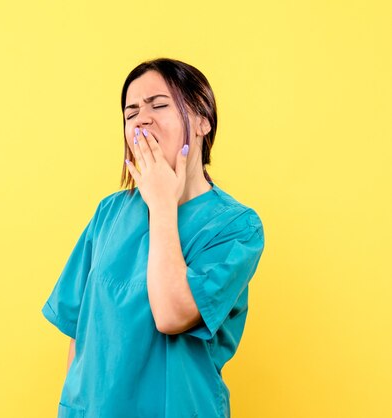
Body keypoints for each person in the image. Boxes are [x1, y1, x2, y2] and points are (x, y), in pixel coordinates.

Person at [41, 57, 265, 418]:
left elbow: (172, 315)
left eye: (159, 105)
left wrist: (163, 204)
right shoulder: (109, 214)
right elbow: (80, 334)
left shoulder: (237, 227)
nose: (142, 119)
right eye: (131, 113)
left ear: (203, 120)